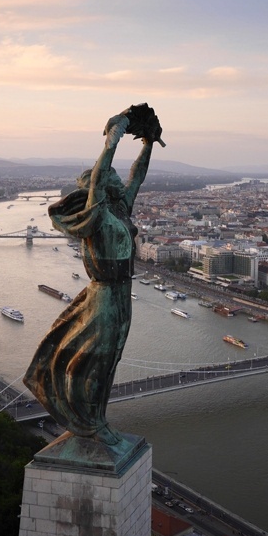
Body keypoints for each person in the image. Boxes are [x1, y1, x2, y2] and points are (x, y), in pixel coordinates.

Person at [24, 104, 162, 445]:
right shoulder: (96, 212)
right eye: (109, 176)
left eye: (114, 176)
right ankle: (87, 420)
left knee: (110, 359)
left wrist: (147, 143)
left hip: (122, 293)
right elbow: (102, 176)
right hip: (104, 293)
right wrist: (111, 142)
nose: (116, 178)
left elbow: (137, 178)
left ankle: (96, 418)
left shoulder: (118, 208)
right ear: (95, 187)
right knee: (96, 360)